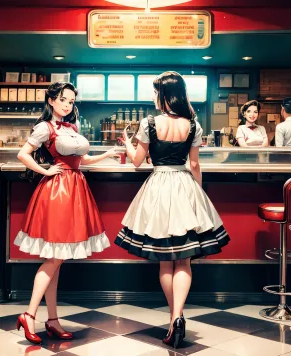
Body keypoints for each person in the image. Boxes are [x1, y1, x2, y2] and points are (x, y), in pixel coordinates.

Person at [115, 72, 230, 349]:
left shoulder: (149, 123)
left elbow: (137, 163)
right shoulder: (193, 125)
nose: (154, 97)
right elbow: (194, 165)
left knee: (166, 260)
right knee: (185, 260)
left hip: (158, 187)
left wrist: (128, 142)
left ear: (165, 95)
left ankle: (173, 317)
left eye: (156, 92)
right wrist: (198, 195)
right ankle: (178, 317)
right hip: (185, 186)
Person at [14, 82, 115, 344]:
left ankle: (53, 321)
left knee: (57, 259)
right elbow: (23, 154)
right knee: (55, 258)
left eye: (71, 101)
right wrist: (46, 171)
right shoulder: (44, 128)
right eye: (63, 100)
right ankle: (29, 314)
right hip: (57, 192)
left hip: (74, 189)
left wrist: (107, 154)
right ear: (51, 100)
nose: (68, 105)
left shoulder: (71, 127)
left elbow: (81, 161)